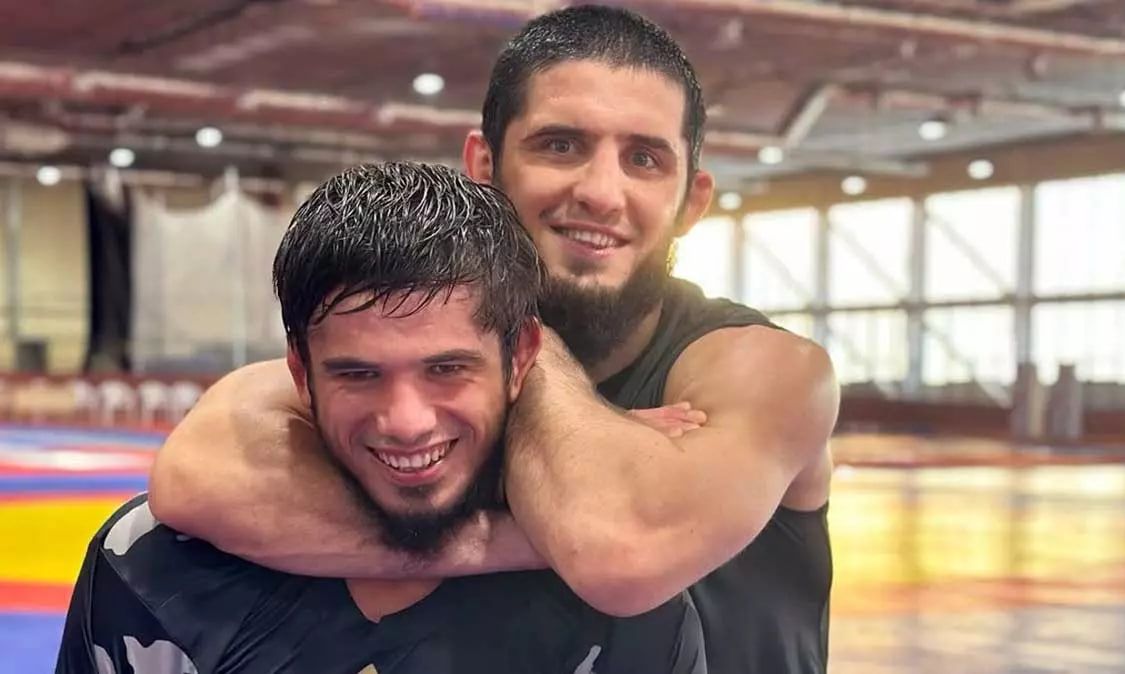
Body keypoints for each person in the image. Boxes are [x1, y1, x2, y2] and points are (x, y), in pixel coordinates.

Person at [149, 6, 840, 673]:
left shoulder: (767, 369)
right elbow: (195, 480)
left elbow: (622, 553)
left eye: (644, 159)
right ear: (482, 165)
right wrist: (510, 533)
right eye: (561, 145)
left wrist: (529, 355)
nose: (602, 192)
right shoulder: (417, 353)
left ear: (692, 201)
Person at [56, 162, 707, 674]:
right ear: (301, 372)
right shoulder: (150, 571)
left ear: (520, 359)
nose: (405, 421)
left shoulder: (622, 614)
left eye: (446, 368)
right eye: (358, 374)